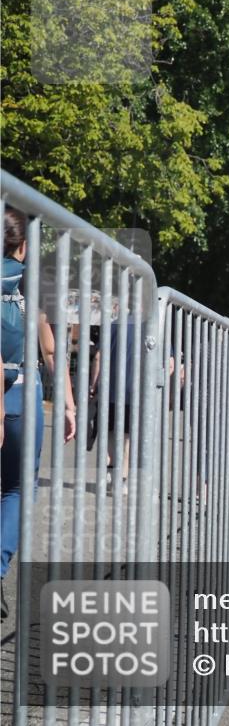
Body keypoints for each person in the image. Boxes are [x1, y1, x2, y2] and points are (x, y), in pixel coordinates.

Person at [2, 206, 76, 619]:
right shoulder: (33, 282)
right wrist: (67, 402)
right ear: (24, 246)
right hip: (19, 392)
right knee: (17, 488)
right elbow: (50, 349)